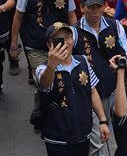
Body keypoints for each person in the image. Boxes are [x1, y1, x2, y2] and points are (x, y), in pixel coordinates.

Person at [11, 0, 77, 131]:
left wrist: (76, 39)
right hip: (35, 45)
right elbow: (18, 18)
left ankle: (54, 111)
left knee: (59, 78)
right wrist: (14, 44)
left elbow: (71, 15)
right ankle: (42, 114)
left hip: (60, 44)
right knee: (44, 79)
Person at [36, 22, 110, 155]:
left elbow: (92, 91)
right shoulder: (43, 69)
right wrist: (51, 65)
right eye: (58, 40)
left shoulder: (83, 61)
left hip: (83, 134)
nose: (65, 43)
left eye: (68, 37)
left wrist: (103, 120)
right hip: (57, 139)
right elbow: (44, 85)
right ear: (49, 44)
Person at [74, 0, 127, 156]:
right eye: (90, 7)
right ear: (82, 8)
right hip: (90, 94)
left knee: (121, 128)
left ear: (105, 6)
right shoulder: (74, 32)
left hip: (114, 89)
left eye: (99, 6)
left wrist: (119, 60)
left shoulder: (115, 25)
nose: (95, 11)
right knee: (97, 136)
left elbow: (125, 51)